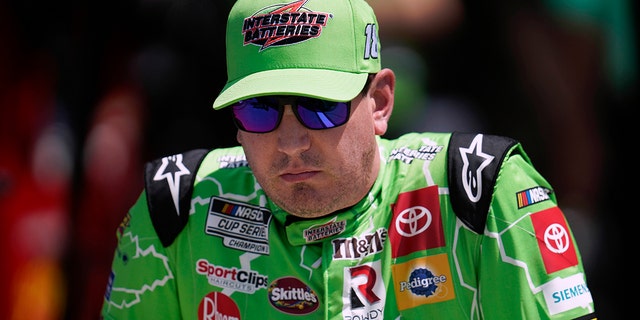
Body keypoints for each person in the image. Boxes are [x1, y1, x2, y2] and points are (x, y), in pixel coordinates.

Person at [100, 0, 597, 318]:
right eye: (259, 110)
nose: (290, 141)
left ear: (380, 102)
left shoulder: (481, 196)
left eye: (320, 108)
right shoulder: (177, 211)